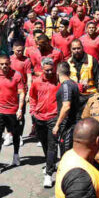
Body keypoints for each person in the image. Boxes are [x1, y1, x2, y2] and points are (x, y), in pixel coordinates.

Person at [0, 54, 25, 175]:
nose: (4, 66)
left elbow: (21, 93)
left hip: (13, 111)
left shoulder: (17, 75)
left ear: (10, 63)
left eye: (6, 64)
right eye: (1, 64)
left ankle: (16, 155)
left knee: (15, 134)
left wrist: (20, 109)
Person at [29, 57, 60, 188]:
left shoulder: (58, 80)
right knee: (45, 144)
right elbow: (32, 96)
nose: (48, 73)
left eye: (51, 70)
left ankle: (48, 174)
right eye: (46, 70)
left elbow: (71, 85)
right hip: (39, 118)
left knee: (52, 145)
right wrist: (33, 111)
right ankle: (50, 163)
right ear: (42, 69)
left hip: (53, 117)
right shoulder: (36, 82)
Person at [68, 39, 99, 117]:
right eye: (74, 49)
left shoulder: (92, 60)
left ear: (82, 48)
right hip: (75, 96)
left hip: (90, 94)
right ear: (71, 50)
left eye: (78, 48)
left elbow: (98, 79)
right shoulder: (68, 62)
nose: (76, 51)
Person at [53, 62, 79, 154]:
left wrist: (57, 125)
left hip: (68, 126)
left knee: (66, 154)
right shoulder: (73, 84)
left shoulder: (66, 86)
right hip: (72, 125)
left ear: (57, 73)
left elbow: (66, 106)